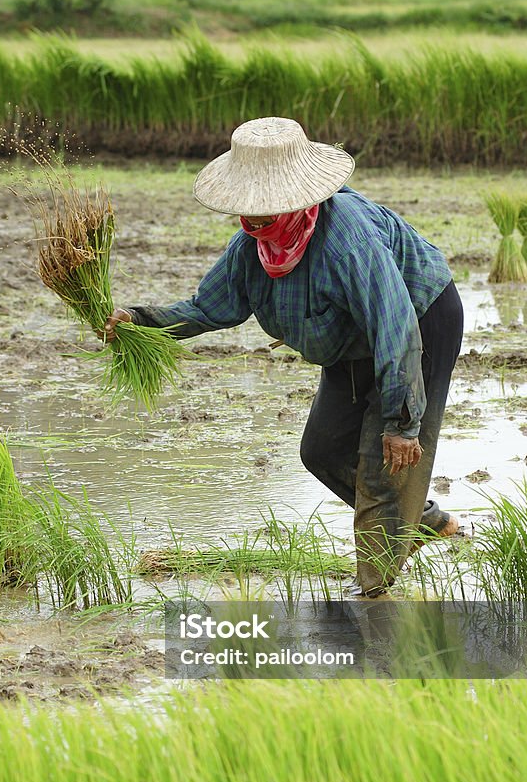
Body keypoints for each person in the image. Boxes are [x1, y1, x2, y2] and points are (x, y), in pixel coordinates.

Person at [105, 117, 463, 597]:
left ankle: (373, 599)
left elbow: (393, 326)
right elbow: (209, 308)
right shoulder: (250, 251)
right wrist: (141, 323)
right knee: (322, 451)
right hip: (350, 340)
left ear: (297, 195)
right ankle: (424, 522)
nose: (254, 218)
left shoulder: (347, 240)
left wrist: (402, 423)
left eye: (266, 205)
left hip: (418, 324)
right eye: (248, 206)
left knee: (385, 466)